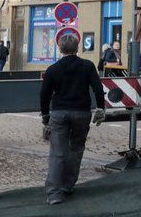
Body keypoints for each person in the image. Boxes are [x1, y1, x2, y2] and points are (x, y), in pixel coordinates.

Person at [40, 34, 106, 205]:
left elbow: (44, 94)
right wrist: (100, 109)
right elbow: (98, 89)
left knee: (57, 153)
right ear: (77, 48)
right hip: (81, 113)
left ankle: (54, 193)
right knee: (76, 149)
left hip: (60, 113)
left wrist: (45, 115)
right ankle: (67, 185)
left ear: (60, 49)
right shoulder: (87, 66)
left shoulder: (53, 69)